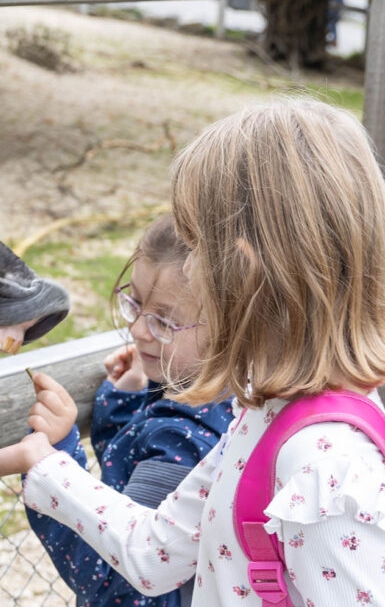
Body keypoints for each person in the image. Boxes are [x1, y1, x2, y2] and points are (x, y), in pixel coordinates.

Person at [0, 99, 385, 605]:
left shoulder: (326, 472)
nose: (188, 270)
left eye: (195, 246)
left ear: (243, 269)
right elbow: (154, 554)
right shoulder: (267, 412)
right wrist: (47, 462)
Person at [25, 214, 233, 606]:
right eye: (134, 304)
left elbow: (115, 580)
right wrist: (128, 399)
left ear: (230, 327)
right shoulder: (227, 402)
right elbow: (126, 491)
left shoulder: (183, 437)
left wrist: (54, 460)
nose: (138, 330)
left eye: (165, 322)